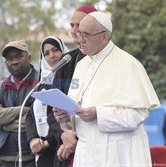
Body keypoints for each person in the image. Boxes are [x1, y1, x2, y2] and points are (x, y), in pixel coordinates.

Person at [53, 11, 161, 166]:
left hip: (118, 154)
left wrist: (98, 114)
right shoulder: (81, 65)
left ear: (104, 36)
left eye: (86, 35)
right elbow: (76, 108)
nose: (80, 40)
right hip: (86, 153)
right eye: (79, 34)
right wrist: (66, 117)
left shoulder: (128, 64)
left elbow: (139, 114)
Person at [46, 4, 97, 167]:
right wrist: (64, 135)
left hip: (97, 144)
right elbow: (51, 110)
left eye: (79, 24)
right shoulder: (66, 61)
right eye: (72, 25)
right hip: (67, 148)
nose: (74, 30)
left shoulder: (110, 60)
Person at [0, 41, 38, 167]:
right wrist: (21, 111)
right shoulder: (0, 87)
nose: (14, 62)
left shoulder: (41, 83)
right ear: (5, 63)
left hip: (33, 157)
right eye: (9, 59)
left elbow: (39, 121)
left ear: (29, 58)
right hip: (6, 158)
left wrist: (3, 121)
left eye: (19, 56)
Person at [25, 36, 69, 167]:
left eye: (56, 50)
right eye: (47, 53)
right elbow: (30, 115)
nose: (52, 56)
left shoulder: (71, 79)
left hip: (62, 148)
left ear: (63, 51)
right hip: (42, 152)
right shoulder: (41, 82)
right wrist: (33, 139)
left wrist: (48, 141)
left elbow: (65, 114)